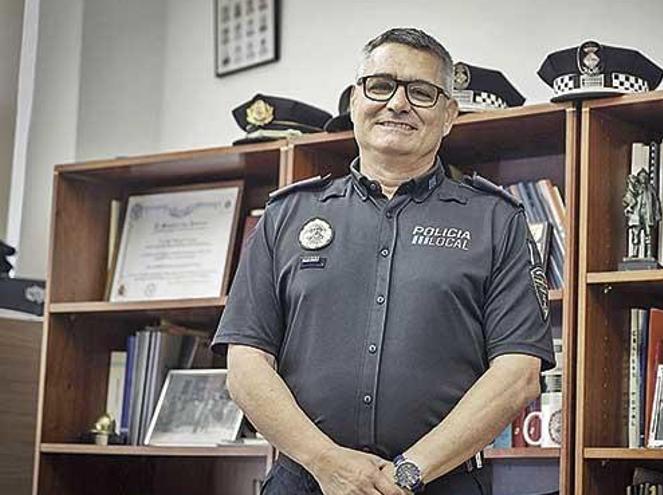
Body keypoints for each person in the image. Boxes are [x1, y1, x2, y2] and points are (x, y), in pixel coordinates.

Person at [211, 27, 555, 495]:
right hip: (305, 482)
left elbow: (518, 376)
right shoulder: (286, 216)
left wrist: (407, 472)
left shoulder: (498, 221)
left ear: (450, 115)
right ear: (355, 100)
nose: (397, 103)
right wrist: (326, 462)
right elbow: (246, 367)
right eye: (381, 86)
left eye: (422, 92)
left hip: (440, 483)